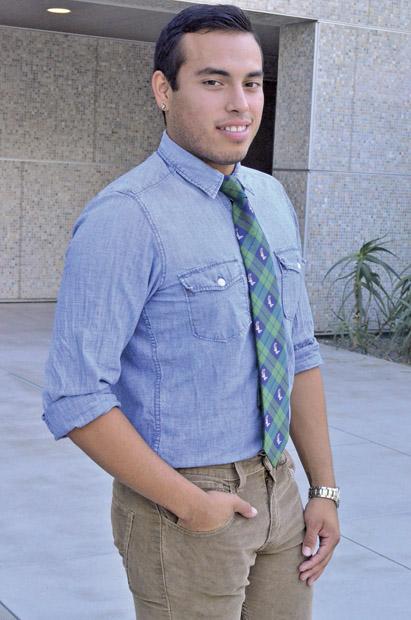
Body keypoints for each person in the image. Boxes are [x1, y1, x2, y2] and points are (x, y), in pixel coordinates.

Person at [42, 4, 340, 619]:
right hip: (185, 506)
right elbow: (76, 395)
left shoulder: (270, 198)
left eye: (251, 82)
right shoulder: (126, 217)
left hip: (281, 488)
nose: (240, 104)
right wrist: (190, 503)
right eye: (213, 81)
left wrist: (323, 488)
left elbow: (298, 350)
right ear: (163, 89)